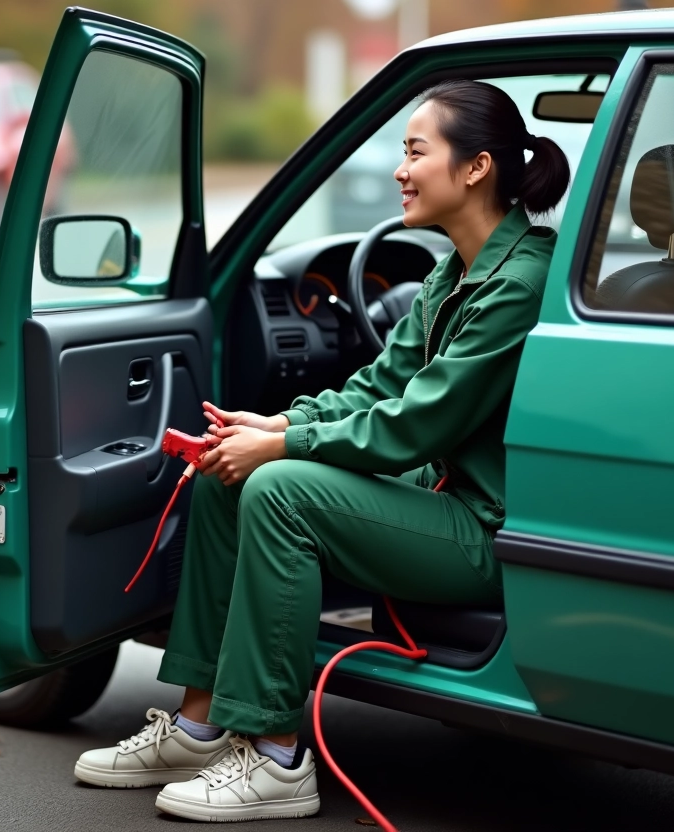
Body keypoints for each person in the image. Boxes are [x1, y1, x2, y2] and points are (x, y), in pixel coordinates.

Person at [74, 79, 571, 822]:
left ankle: (276, 757)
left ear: (475, 168)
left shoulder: (520, 283)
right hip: (441, 502)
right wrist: (266, 425)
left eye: (415, 152)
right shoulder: (452, 272)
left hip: (485, 532)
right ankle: (200, 726)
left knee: (279, 489)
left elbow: (416, 425)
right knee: (228, 477)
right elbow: (377, 386)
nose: (400, 170)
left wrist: (281, 445)